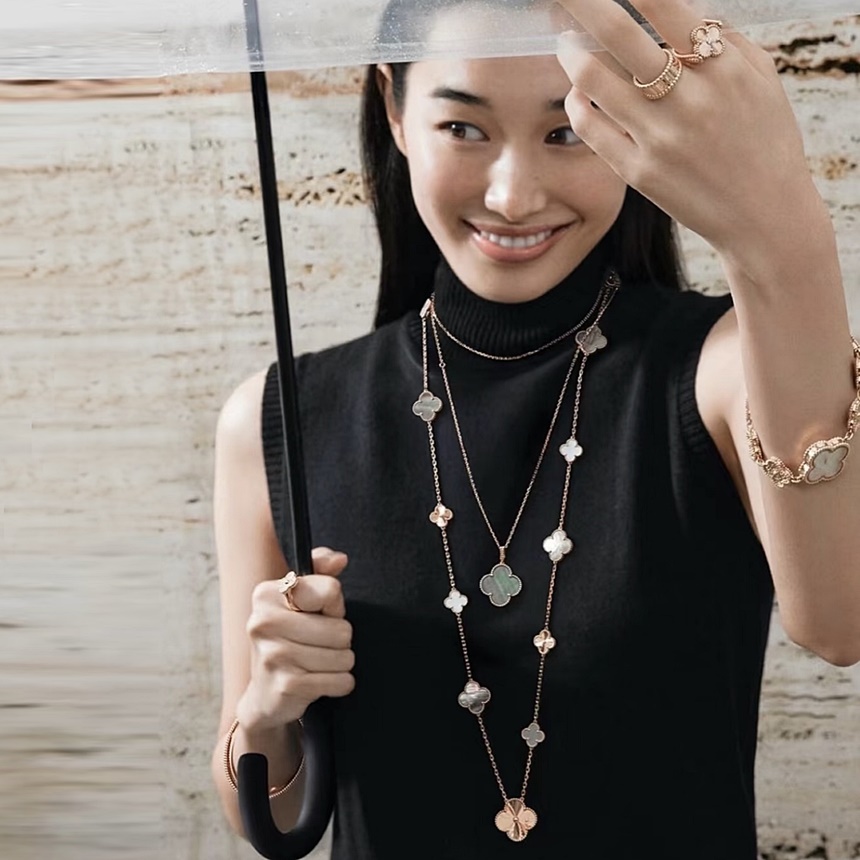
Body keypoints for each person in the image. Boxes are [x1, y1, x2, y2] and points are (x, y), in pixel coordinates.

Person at [210, 0, 860, 857]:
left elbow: (842, 621)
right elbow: (267, 818)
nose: (512, 196)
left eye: (566, 132)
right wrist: (269, 710)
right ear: (394, 109)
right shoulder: (277, 416)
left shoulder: (725, 368)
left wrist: (779, 226)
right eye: (462, 128)